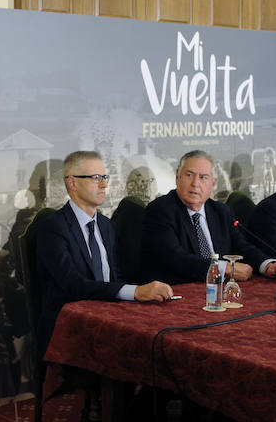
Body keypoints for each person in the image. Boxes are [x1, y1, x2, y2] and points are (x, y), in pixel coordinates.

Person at [35, 151, 173, 357]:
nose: (104, 185)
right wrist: (135, 292)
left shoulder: (105, 225)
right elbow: (73, 285)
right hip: (70, 330)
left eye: (104, 178)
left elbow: (113, 278)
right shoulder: (53, 228)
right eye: (95, 178)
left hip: (109, 320)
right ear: (72, 183)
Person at [141, 150, 276, 285]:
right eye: (189, 175)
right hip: (179, 292)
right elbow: (176, 258)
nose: (195, 183)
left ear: (213, 184)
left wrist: (266, 264)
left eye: (203, 177)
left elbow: (241, 247)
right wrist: (223, 268)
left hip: (219, 290)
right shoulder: (160, 210)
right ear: (177, 177)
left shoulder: (220, 211)